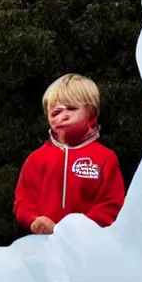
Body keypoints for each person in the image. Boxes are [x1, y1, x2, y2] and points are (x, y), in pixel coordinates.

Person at [14, 73, 125, 235]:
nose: (63, 116)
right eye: (55, 112)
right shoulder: (36, 159)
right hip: (44, 245)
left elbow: (111, 203)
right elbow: (24, 199)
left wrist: (78, 230)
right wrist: (34, 220)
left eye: (71, 108)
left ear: (91, 113)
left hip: (89, 245)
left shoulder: (105, 158)